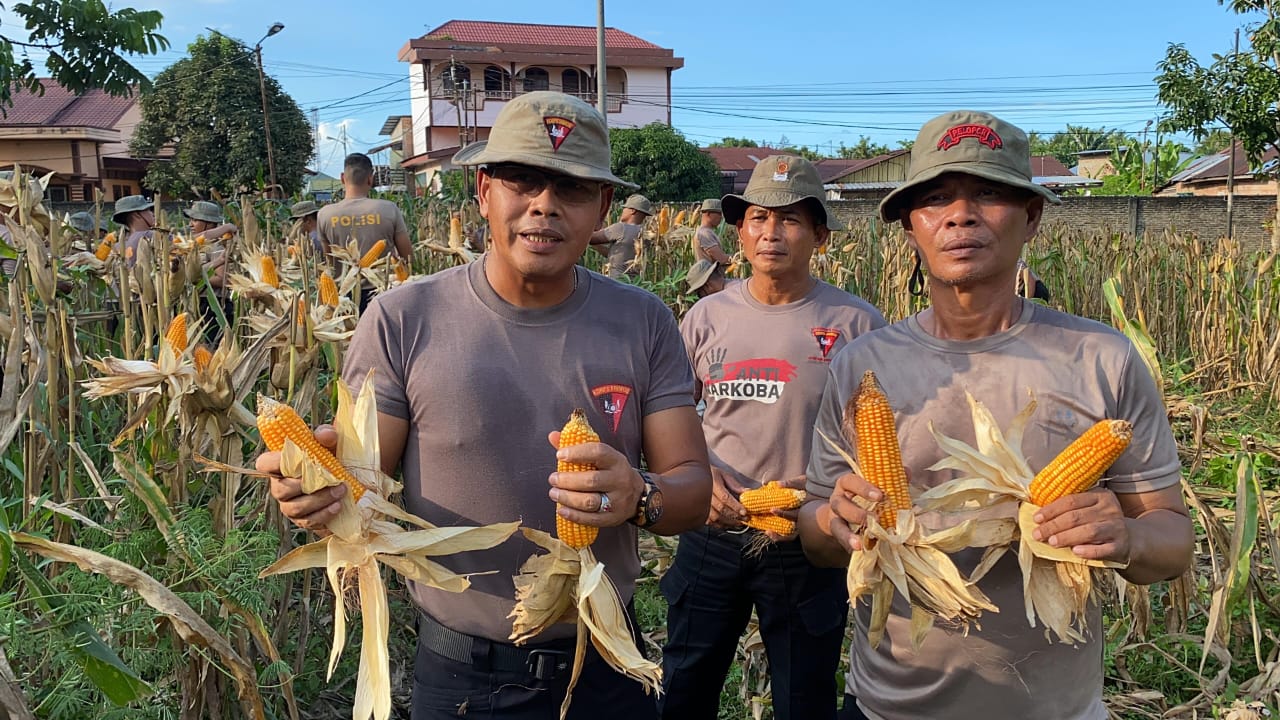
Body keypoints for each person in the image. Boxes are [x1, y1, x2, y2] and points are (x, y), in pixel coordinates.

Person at [256, 90, 712, 720]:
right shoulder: (401, 319)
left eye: (572, 189)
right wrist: (317, 487)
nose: (544, 205)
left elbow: (691, 488)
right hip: (463, 671)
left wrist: (639, 495)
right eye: (522, 181)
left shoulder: (645, 322)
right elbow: (362, 474)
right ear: (483, 190)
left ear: (603, 206)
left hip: (606, 654)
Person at [798, 110, 1194, 720]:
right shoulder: (861, 366)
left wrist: (1129, 536)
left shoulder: (1103, 359)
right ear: (910, 225)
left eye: (988, 193)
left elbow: (1173, 542)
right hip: (889, 704)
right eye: (935, 199)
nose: (961, 214)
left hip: (1055, 708)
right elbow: (815, 533)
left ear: (1031, 217)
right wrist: (834, 521)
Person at [660, 155, 886, 720]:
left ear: (820, 237)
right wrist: (699, 472)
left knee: (803, 694)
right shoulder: (705, 317)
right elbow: (674, 413)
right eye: (759, 217)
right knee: (686, 682)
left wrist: (829, 490)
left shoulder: (858, 325)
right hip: (713, 529)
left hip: (808, 536)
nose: (771, 232)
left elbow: (881, 434)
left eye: (790, 220)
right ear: (740, 231)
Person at [183, 200, 239, 342]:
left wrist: (194, 279)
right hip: (197, 304)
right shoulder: (194, 245)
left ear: (209, 223)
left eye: (195, 220)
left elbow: (222, 279)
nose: (191, 224)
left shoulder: (217, 246)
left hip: (213, 306)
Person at [589, 193, 652, 279]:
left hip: (615, 281)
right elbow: (616, 256)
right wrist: (596, 246)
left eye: (625, 208)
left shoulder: (621, 228)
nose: (623, 211)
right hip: (634, 283)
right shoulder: (646, 234)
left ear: (633, 211)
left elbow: (591, 238)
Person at [113, 195, 155, 266]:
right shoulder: (151, 236)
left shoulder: (117, 247)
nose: (152, 213)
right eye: (148, 210)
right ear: (136, 215)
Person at [691, 198, 730, 265]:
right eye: (719, 214)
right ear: (708, 214)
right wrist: (739, 256)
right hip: (710, 275)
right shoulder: (705, 234)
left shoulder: (706, 231)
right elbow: (721, 259)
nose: (721, 217)